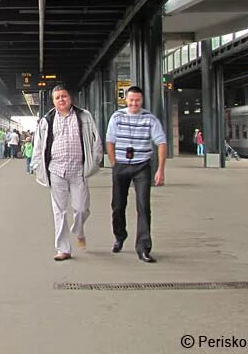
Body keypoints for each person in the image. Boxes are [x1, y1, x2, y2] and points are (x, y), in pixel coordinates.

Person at [31, 85, 103, 261]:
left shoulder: (84, 116)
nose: (61, 100)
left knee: (81, 209)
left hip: (78, 170)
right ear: (53, 101)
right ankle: (63, 249)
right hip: (56, 170)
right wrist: (37, 166)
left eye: (64, 96)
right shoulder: (46, 121)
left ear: (70, 98)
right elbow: (38, 146)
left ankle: (78, 230)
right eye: (57, 98)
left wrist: (95, 161)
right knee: (59, 212)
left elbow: (96, 140)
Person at [106, 85, 167, 263]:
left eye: (137, 100)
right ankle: (120, 235)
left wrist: (160, 169)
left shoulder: (150, 119)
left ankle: (143, 248)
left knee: (143, 206)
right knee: (117, 206)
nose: (134, 103)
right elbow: (110, 140)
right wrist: (113, 164)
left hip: (142, 166)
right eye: (131, 100)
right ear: (126, 99)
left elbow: (161, 143)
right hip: (121, 165)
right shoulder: (117, 117)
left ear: (142, 101)